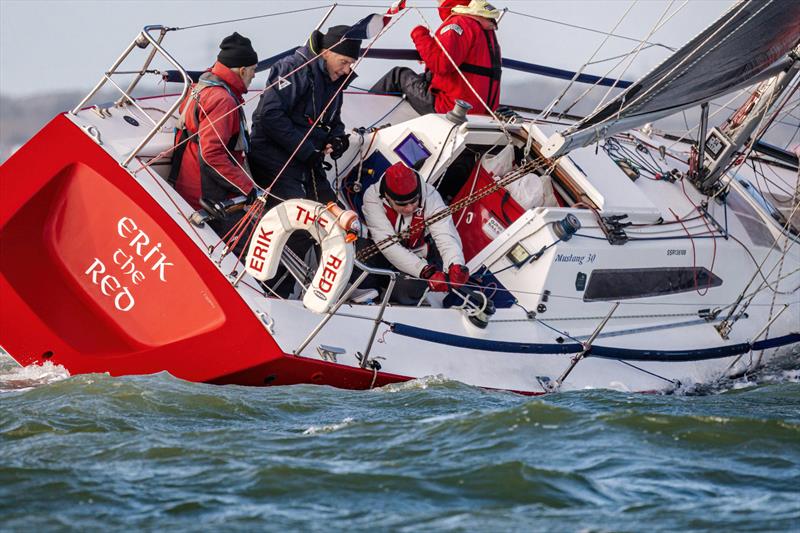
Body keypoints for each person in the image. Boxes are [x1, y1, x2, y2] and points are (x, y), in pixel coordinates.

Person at [249, 25, 361, 296]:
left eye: (351, 64)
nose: (347, 69)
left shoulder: (336, 80)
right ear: (325, 53)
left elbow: (333, 121)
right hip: (274, 157)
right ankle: (272, 291)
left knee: (341, 220)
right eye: (344, 62)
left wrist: (337, 139)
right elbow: (270, 116)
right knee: (299, 226)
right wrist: (306, 149)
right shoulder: (294, 68)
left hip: (306, 160)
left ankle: (340, 288)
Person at [171, 32, 259, 240]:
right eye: (253, 71)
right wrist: (247, 188)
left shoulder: (201, 85)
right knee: (245, 243)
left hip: (188, 183)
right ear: (243, 70)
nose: (255, 75)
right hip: (206, 195)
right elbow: (211, 154)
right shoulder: (223, 100)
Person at [361, 162, 470, 304]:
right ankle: (369, 295)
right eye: (402, 204)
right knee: (358, 253)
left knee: (410, 287)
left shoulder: (430, 196)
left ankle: (391, 306)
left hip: (418, 255)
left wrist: (455, 264)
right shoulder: (372, 197)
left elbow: (445, 233)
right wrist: (425, 272)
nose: (409, 208)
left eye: (414, 201)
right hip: (385, 254)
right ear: (387, 197)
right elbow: (388, 245)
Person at [370, 0, 502, 116]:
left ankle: (361, 118)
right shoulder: (482, 26)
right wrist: (429, 55)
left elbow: (441, 64)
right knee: (421, 77)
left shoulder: (459, 23)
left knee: (398, 76)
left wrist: (419, 34)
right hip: (481, 110)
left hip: (452, 108)